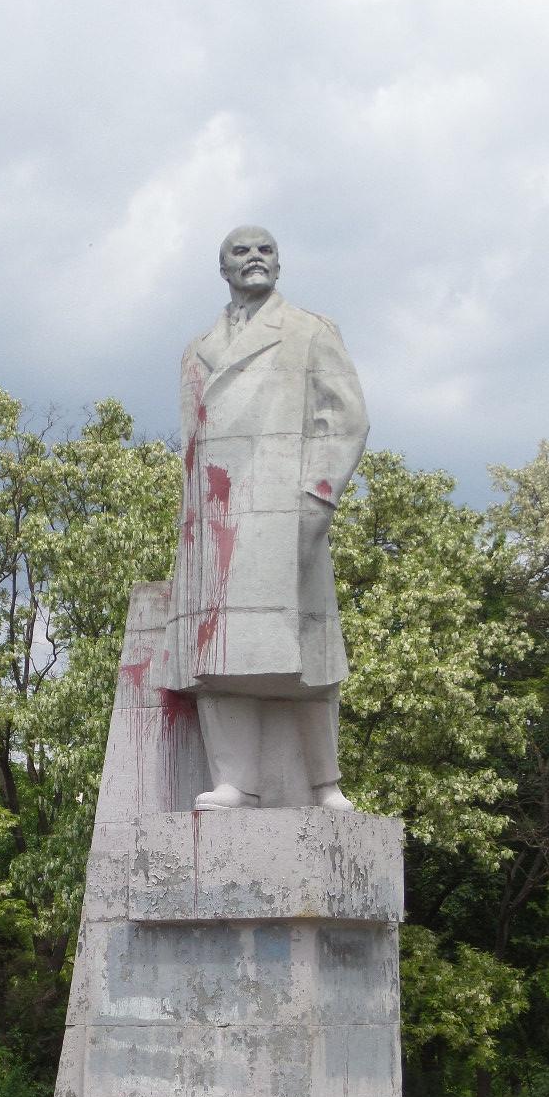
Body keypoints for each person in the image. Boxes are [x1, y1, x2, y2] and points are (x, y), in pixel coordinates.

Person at [157, 224, 370, 811]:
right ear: (223, 268)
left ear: (280, 262)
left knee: (306, 654)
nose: (255, 259)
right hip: (214, 516)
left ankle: (325, 784)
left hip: (285, 506)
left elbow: (346, 418)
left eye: (266, 250)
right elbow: (191, 445)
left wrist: (317, 496)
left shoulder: (308, 331)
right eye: (241, 252)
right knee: (217, 656)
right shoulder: (196, 348)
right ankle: (235, 783)